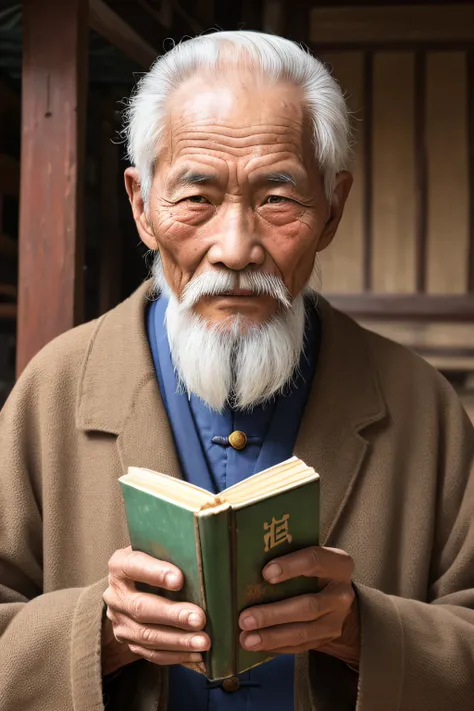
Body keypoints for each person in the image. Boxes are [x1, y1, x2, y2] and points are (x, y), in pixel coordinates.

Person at [1, 30, 473, 711]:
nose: (235, 247)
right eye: (196, 197)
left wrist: (363, 631)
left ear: (332, 209)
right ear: (141, 205)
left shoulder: (419, 405)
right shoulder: (55, 389)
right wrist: (98, 632)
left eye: (276, 199)